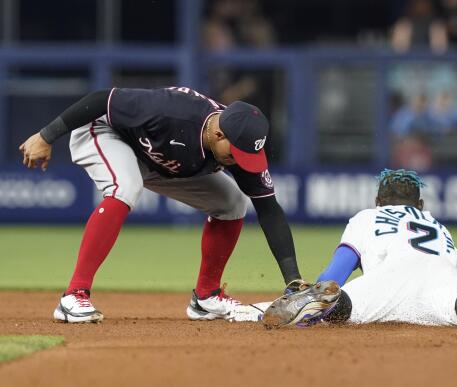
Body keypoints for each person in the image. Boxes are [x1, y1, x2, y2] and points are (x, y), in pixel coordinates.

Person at [19, 86, 305, 323]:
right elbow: (101, 99)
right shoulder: (171, 110)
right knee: (124, 187)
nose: (241, 161)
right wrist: (45, 136)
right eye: (236, 154)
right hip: (106, 133)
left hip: (158, 160)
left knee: (231, 201)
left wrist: (293, 280)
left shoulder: (238, 144)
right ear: (218, 135)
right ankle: (73, 295)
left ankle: (206, 298)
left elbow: (268, 208)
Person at [240, 169, 457, 331]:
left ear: (379, 200)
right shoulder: (437, 224)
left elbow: (338, 271)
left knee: (341, 309)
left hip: (388, 280)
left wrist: (318, 286)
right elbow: (456, 272)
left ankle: (323, 302)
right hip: (441, 279)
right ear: (421, 205)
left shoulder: (368, 216)